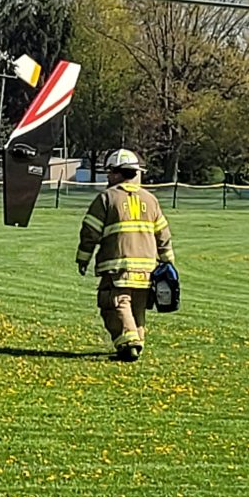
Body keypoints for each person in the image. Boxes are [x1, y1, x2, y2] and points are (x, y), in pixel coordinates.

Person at [75, 148, 173, 362]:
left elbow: (90, 232)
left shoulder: (107, 198)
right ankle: (138, 341)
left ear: (117, 172)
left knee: (116, 303)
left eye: (110, 172)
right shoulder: (150, 199)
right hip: (147, 268)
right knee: (137, 306)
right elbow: (163, 234)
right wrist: (168, 261)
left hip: (117, 265)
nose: (108, 177)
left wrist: (83, 258)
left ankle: (129, 344)